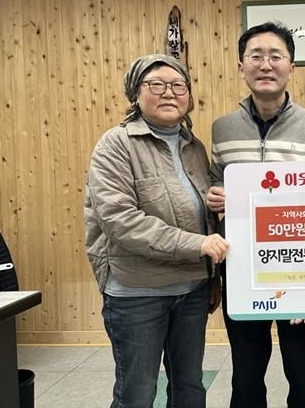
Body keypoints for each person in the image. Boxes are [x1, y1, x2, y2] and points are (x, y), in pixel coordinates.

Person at [84, 54, 229, 408]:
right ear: (136, 94)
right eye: (156, 85)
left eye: (178, 85)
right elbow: (120, 220)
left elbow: (204, 219)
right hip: (137, 293)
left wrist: (212, 278)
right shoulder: (116, 144)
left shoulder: (194, 147)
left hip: (192, 291)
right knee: (137, 392)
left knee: (189, 388)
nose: (169, 93)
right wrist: (197, 245)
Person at [207, 22, 305, 408]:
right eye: (256, 56)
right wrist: (214, 196)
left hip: (302, 266)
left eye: (276, 56)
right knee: (246, 373)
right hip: (242, 266)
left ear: (291, 67)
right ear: (241, 67)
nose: (266, 65)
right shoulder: (222, 128)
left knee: (303, 371)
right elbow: (215, 183)